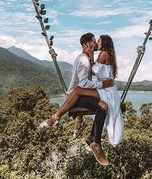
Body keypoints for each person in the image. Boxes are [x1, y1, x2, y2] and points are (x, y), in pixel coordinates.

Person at [39, 33, 113, 166]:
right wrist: (102, 85)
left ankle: (90, 136)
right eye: (94, 41)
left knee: (103, 103)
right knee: (103, 106)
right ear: (87, 45)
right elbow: (83, 84)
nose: (96, 43)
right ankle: (96, 143)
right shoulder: (84, 60)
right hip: (77, 95)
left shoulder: (85, 58)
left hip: (81, 93)